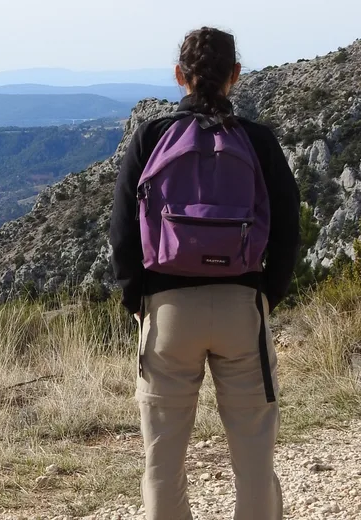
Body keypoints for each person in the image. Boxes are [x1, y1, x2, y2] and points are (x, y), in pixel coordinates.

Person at [109, 27, 300, 520]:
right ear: (235, 76)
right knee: (254, 455)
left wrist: (138, 302)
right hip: (241, 306)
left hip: (168, 309)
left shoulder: (151, 135)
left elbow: (121, 231)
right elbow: (287, 224)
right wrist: (265, 296)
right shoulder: (257, 140)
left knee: (162, 460)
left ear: (180, 76)